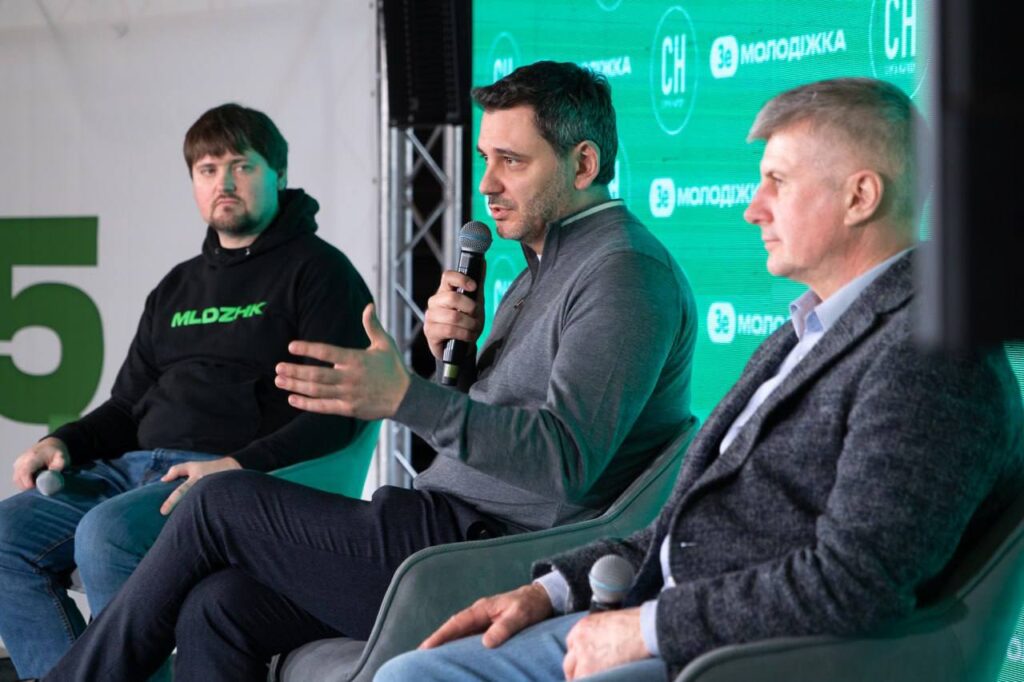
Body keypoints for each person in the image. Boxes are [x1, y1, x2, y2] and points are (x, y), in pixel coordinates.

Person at [40, 61, 698, 681]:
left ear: (583, 164)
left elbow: (565, 459)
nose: (488, 184)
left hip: (487, 550)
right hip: (442, 522)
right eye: (484, 160)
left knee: (218, 502)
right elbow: (489, 430)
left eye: (512, 161)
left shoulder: (623, 272)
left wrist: (407, 397)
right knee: (217, 605)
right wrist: (451, 362)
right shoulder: (542, 266)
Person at [373, 77, 1024, 682]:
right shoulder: (809, 331)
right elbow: (681, 535)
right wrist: (549, 590)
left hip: (741, 658)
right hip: (674, 622)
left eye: (777, 182)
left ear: (861, 196)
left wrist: (644, 629)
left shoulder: (928, 359)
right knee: (413, 672)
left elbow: (854, 583)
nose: (752, 210)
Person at [0, 103, 372, 679]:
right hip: (132, 471)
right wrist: (64, 442)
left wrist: (235, 468)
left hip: (229, 480)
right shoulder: (176, 287)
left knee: (108, 535)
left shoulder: (321, 273)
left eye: (241, 165)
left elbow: (339, 413)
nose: (224, 183)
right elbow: (127, 407)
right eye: (207, 169)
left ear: (278, 174)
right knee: (7, 535)